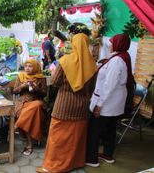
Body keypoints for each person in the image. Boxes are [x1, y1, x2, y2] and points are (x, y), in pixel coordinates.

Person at [36, 23, 97, 173]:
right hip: (82, 106)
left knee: (58, 136)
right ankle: (74, 163)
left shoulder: (65, 61)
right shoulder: (93, 65)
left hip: (64, 105)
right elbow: (92, 88)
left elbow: (55, 82)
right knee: (76, 137)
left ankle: (52, 166)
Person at [86, 34, 133, 167]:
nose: (110, 45)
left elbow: (109, 85)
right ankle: (108, 154)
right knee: (110, 129)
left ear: (118, 44)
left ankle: (91, 159)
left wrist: (99, 105)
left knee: (94, 130)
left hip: (107, 103)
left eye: (112, 42)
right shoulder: (122, 57)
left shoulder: (117, 61)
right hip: (114, 103)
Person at [13, 59, 47, 156]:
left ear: (36, 67)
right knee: (32, 112)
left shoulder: (41, 78)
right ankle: (30, 143)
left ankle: (19, 126)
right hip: (22, 102)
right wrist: (22, 86)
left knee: (37, 106)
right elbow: (14, 91)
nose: (27, 68)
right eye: (26, 66)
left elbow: (44, 94)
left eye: (30, 66)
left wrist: (37, 88)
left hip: (36, 100)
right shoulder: (21, 76)